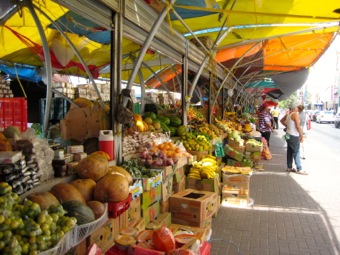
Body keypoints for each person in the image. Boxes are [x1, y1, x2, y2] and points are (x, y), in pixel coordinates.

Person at [280, 105, 308, 175]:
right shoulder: (295, 114)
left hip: (287, 134)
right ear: (294, 108)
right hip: (293, 135)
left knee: (289, 151)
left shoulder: (288, 114)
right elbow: (298, 126)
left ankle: (289, 167)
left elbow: (281, 121)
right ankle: (299, 168)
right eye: (296, 107)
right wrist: (301, 135)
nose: (298, 108)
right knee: (296, 152)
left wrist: (287, 126)